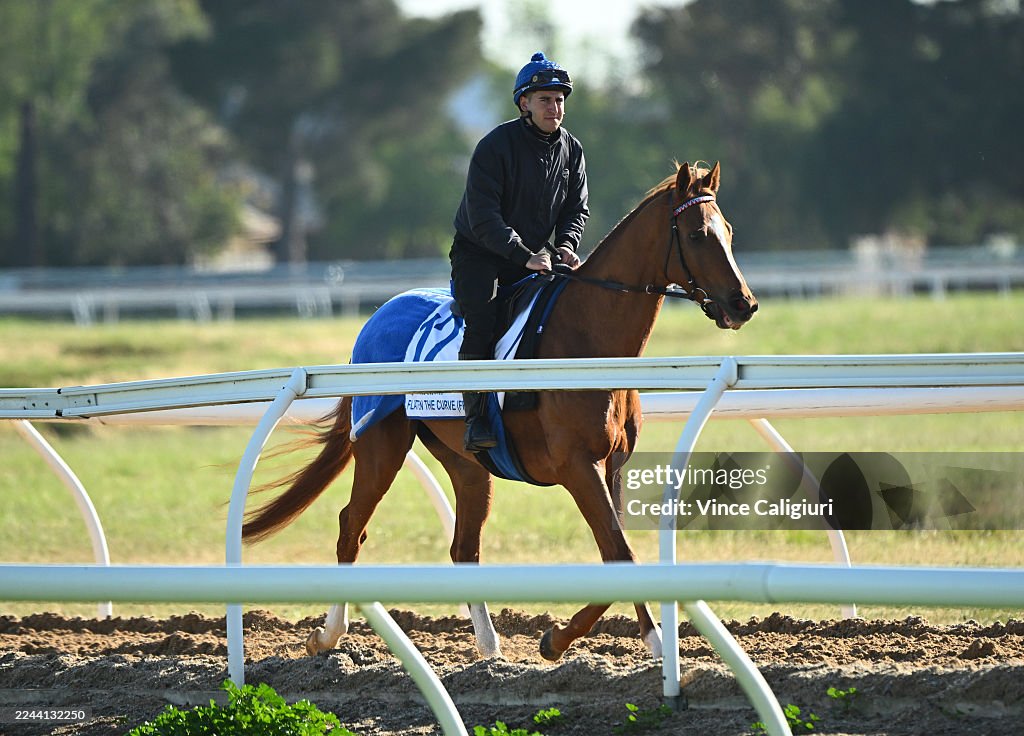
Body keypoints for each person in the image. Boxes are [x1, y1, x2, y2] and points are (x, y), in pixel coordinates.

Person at [450, 51, 589, 453]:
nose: (555, 107)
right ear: (524, 103)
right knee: (482, 318)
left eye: (560, 99)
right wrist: (522, 254)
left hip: (535, 255)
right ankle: (476, 418)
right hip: (480, 255)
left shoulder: (573, 150)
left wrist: (565, 246)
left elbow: (576, 210)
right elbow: (483, 215)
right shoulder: (494, 146)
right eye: (545, 99)